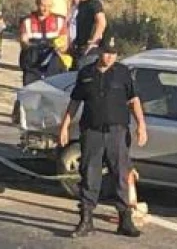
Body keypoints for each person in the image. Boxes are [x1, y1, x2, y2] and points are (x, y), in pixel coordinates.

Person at [58, 35, 147, 238]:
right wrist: (64, 126)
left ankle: (125, 220)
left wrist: (141, 125)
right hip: (92, 131)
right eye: (106, 52)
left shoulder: (123, 73)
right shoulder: (86, 73)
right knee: (90, 174)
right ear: (99, 52)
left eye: (113, 54)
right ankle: (86, 219)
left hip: (117, 131)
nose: (109, 57)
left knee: (121, 174)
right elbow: (75, 102)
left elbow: (134, 100)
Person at [71, 0, 106, 65]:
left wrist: (93, 42)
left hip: (90, 51)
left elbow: (102, 22)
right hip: (79, 47)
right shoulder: (81, 3)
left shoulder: (94, 3)